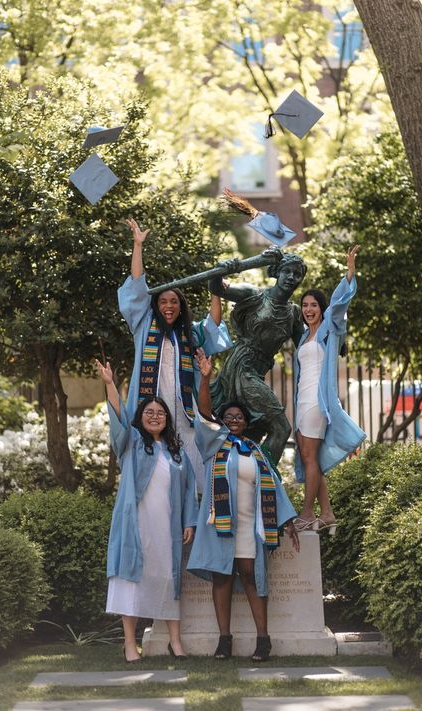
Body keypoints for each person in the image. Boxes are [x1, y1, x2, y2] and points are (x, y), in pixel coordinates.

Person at [187, 349, 300, 662]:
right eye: (229, 417)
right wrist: (206, 377)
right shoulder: (214, 445)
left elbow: (273, 487)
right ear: (223, 422)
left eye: (239, 417)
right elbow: (205, 414)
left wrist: (287, 521)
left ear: (246, 423)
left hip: (251, 526)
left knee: (252, 576)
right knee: (222, 578)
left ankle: (263, 641)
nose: (233, 420)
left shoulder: (255, 451)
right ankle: (224, 641)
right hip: (221, 526)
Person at [95, 358, 199, 662]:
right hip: (136, 525)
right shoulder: (132, 443)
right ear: (141, 418)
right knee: (131, 582)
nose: (155, 416)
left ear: (167, 419)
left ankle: (175, 643)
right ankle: (130, 644)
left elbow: (190, 491)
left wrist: (189, 521)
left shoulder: (176, 454)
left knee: (167, 579)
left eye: (160, 413)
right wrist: (110, 383)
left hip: (166, 528)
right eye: (149, 413)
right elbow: (118, 417)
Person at [119, 218, 232, 492]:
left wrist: (215, 288)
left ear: (181, 307)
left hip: (184, 413)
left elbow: (213, 324)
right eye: (163, 301)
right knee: (156, 477)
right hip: (153, 413)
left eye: (174, 302)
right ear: (156, 306)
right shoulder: (144, 327)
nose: (168, 306)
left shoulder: (190, 335)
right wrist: (137, 246)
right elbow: (136, 288)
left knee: (192, 474)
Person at [208, 250, 306, 465]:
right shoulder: (255, 295)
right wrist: (229, 267)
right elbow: (215, 286)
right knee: (281, 428)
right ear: (276, 273)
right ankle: (264, 478)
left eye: (297, 274)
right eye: (287, 271)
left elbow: (308, 349)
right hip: (242, 366)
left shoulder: (294, 314)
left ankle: (244, 474)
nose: (291, 277)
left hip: (257, 372)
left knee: (253, 430)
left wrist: (333, 333)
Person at [293, 246, 366, 534]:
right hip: (301, 402)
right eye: (305, 305)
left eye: (313, 305)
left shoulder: (329, 328)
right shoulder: (303, 335)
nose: (309, 310)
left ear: (322, 308)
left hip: (317, 402)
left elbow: (339, 304)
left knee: (310, 457)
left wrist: (349, 273)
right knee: (311, 458)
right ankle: (327, 513)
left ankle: (307, 513)